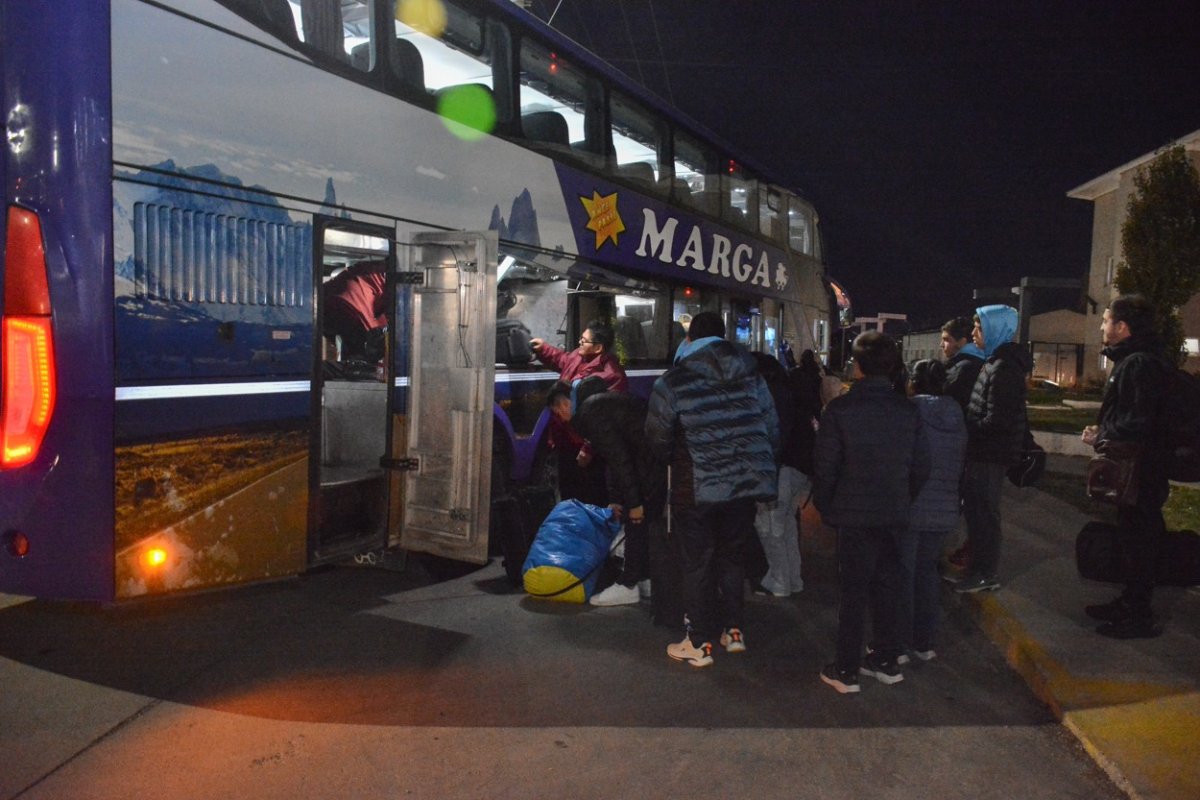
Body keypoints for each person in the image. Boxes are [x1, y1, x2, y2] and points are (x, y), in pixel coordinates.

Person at [644, 311, 778, 667]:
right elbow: (770, 427)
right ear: (724, 339)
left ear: (690, 340)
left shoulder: (674, 380)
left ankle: (699, 641)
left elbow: (656, 438)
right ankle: (733, 632)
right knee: (732, 557)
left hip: (695, 488)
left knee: (697, 562)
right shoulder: (751, 374)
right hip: (743, 486)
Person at [813, 331, 930, 694]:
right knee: (888, 588)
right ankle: (885, 660)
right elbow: (922, 466)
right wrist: (902, 498)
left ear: (858, 366)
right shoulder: (908, 410)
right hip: (894, 513)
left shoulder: (841, 410)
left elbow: (825, 466)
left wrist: (828, 507)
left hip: (854, 516)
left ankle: (846, 670)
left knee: (853, 593)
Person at [1081, 294, 1170, 639]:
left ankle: (1138, 615)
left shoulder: (1138, 364)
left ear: (1122, 326)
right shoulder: (1136, 360)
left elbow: (1138, 422)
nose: (1103, 326)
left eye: (1106, 320)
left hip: (1140, 472)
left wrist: (1101, 434)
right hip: (1139, 470)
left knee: (1140, 542)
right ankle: (1129, 603)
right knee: (1133, 539)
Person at [545, 378, 666, 607]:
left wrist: (634, 502)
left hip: (649, 465)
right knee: (642, 523)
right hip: (652, 462)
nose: (560, 418)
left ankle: (629, 584)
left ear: (562, 405)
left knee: (637, 521)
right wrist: (617, 499)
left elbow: (620, 459)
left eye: (556, 412)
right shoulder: (598, 404)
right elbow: (617, 457)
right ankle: (644, 579)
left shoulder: (591, 413)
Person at [955, 305, 1030, 594]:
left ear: (996, 330)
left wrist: (967, 429)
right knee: (976, 514)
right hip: (982, 452)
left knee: (984, 515)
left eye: (979, 328)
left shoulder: (1004, 368)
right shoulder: (994, 362)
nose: (974, 333)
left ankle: (985, 573)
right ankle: (976, 570)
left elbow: (998, 419)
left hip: (990, 454)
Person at [897, 359, 966, 661]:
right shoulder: (956, 415)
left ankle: (896, 643)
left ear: (914, 382)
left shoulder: (910, 412)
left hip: (912, 506)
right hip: (944, 508)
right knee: (927, 573)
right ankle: (923, 643)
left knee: (903, 574)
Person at [530, 321, 628, 504]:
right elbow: (561, 360)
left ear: (598, 348)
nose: (579, 344)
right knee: (568, 495)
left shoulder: (612, 376)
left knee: (590, 495)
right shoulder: (578, 357)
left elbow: (607, 421)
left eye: (584, 341)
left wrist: (588, 448)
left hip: (587, 449)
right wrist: (543, 349)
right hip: (565, 441)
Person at [751, 352, 809, 598]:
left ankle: (779, 581)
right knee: (785, 526)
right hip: (799, 468)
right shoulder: (788, 391)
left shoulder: (770, 395)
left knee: (769, 526)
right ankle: (793, 579)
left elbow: (774, 438)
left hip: (780, 469)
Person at [323, 259, 388, 360]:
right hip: (347, 305)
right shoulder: (381, 275)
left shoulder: (370, 270)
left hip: (323, 302)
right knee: (364, 349)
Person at [941, 315, 984, 412]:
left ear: (962, 342)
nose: (941, 345)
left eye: (946, 340)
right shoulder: (982, 361)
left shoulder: (963, 368)